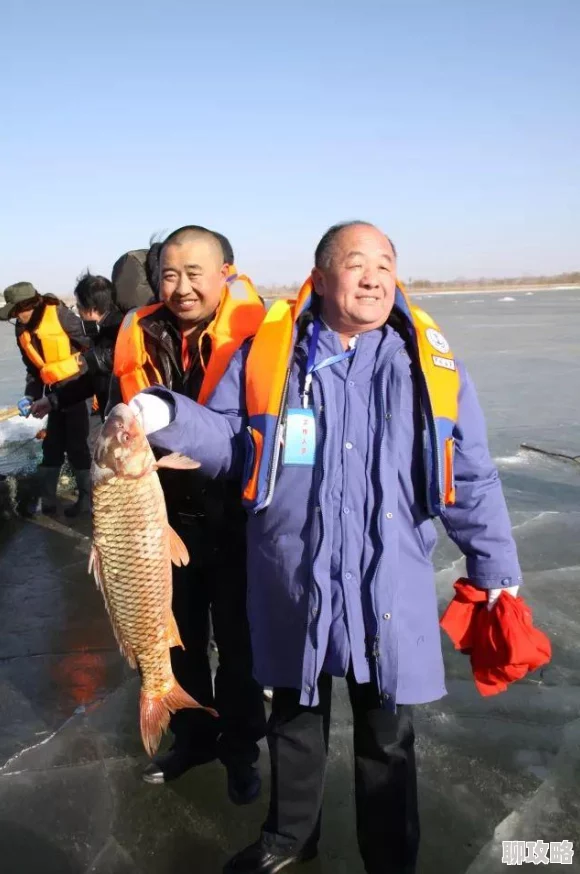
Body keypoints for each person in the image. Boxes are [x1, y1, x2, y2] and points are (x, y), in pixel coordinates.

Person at [129, 221, 523, 874]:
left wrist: (495, 567)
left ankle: (391, 856)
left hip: (385, 581)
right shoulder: (268, 353)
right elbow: (230, 439)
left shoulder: (426, 361)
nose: (373, 275)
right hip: (296, 576)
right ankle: (290, 838)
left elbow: (470, 471)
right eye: (355, 262)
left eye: (385, 263)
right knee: (294, 716)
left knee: (387, 734)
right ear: (321, 273)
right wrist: (166, 414)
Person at [109, 225, 267, 803]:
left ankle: (241, 748)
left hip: (237, 517)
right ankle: (193, 736)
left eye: (194, 273)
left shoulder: (262, 336)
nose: (180, 288)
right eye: (169, 275)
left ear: (226, 272)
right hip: (160, 519)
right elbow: (115, 416)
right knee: (176, 639)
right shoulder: (138, 332)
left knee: (240, 643)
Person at [0, 282, 92, 517]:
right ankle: (48, 500)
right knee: (51, 446)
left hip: (78, 389)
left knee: (77, 446)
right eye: (12, 315)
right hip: (52, 395)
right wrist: (30, 395)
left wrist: (91, 379)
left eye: (16, 312)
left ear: (29, 304)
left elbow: (91, 346)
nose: (16, 318)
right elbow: (34, 370)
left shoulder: (61, 315)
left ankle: (87, 501)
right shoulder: (21, 330)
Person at [30, 273, 123, 425]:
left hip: (124, 425)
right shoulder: (104, 332)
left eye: (79, 306)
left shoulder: (116, 335)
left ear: (91, 309)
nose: (78, 311)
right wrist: (51, 401)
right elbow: (89, 382)